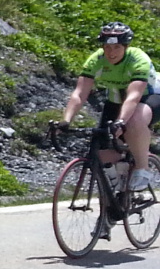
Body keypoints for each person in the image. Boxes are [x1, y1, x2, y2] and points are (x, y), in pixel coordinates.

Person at [58, 21, 156, 189]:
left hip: (148, 97)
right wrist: (65, 120)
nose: (111, 52)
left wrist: (121, 121)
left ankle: (142, 168)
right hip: (115, 101)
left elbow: (133, 96)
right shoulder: (97, 59)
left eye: (117, 47)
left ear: (126, 47)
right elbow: (80, 93)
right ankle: (116, 190)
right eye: (107, 47)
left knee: (133, 122)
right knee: (100, 153)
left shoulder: (138, 59)